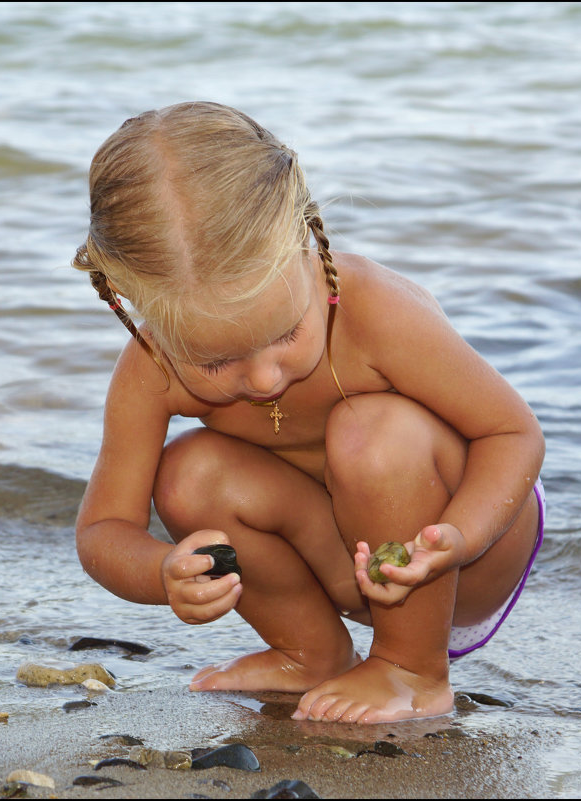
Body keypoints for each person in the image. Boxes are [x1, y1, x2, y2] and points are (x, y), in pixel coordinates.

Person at [71, 101, 545, 723]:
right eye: (217, 363)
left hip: (459, 553)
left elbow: (514, 434)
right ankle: (310, 651)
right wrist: (163, 571)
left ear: (303, 236)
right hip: (338, 563)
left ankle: (413, 669)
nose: (265, 378)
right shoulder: (154, 367)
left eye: (287, 333)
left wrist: (459, 536)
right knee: (188, 471)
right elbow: (103, 529)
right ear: (138, 306)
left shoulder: (374, 312)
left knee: (373, 431)